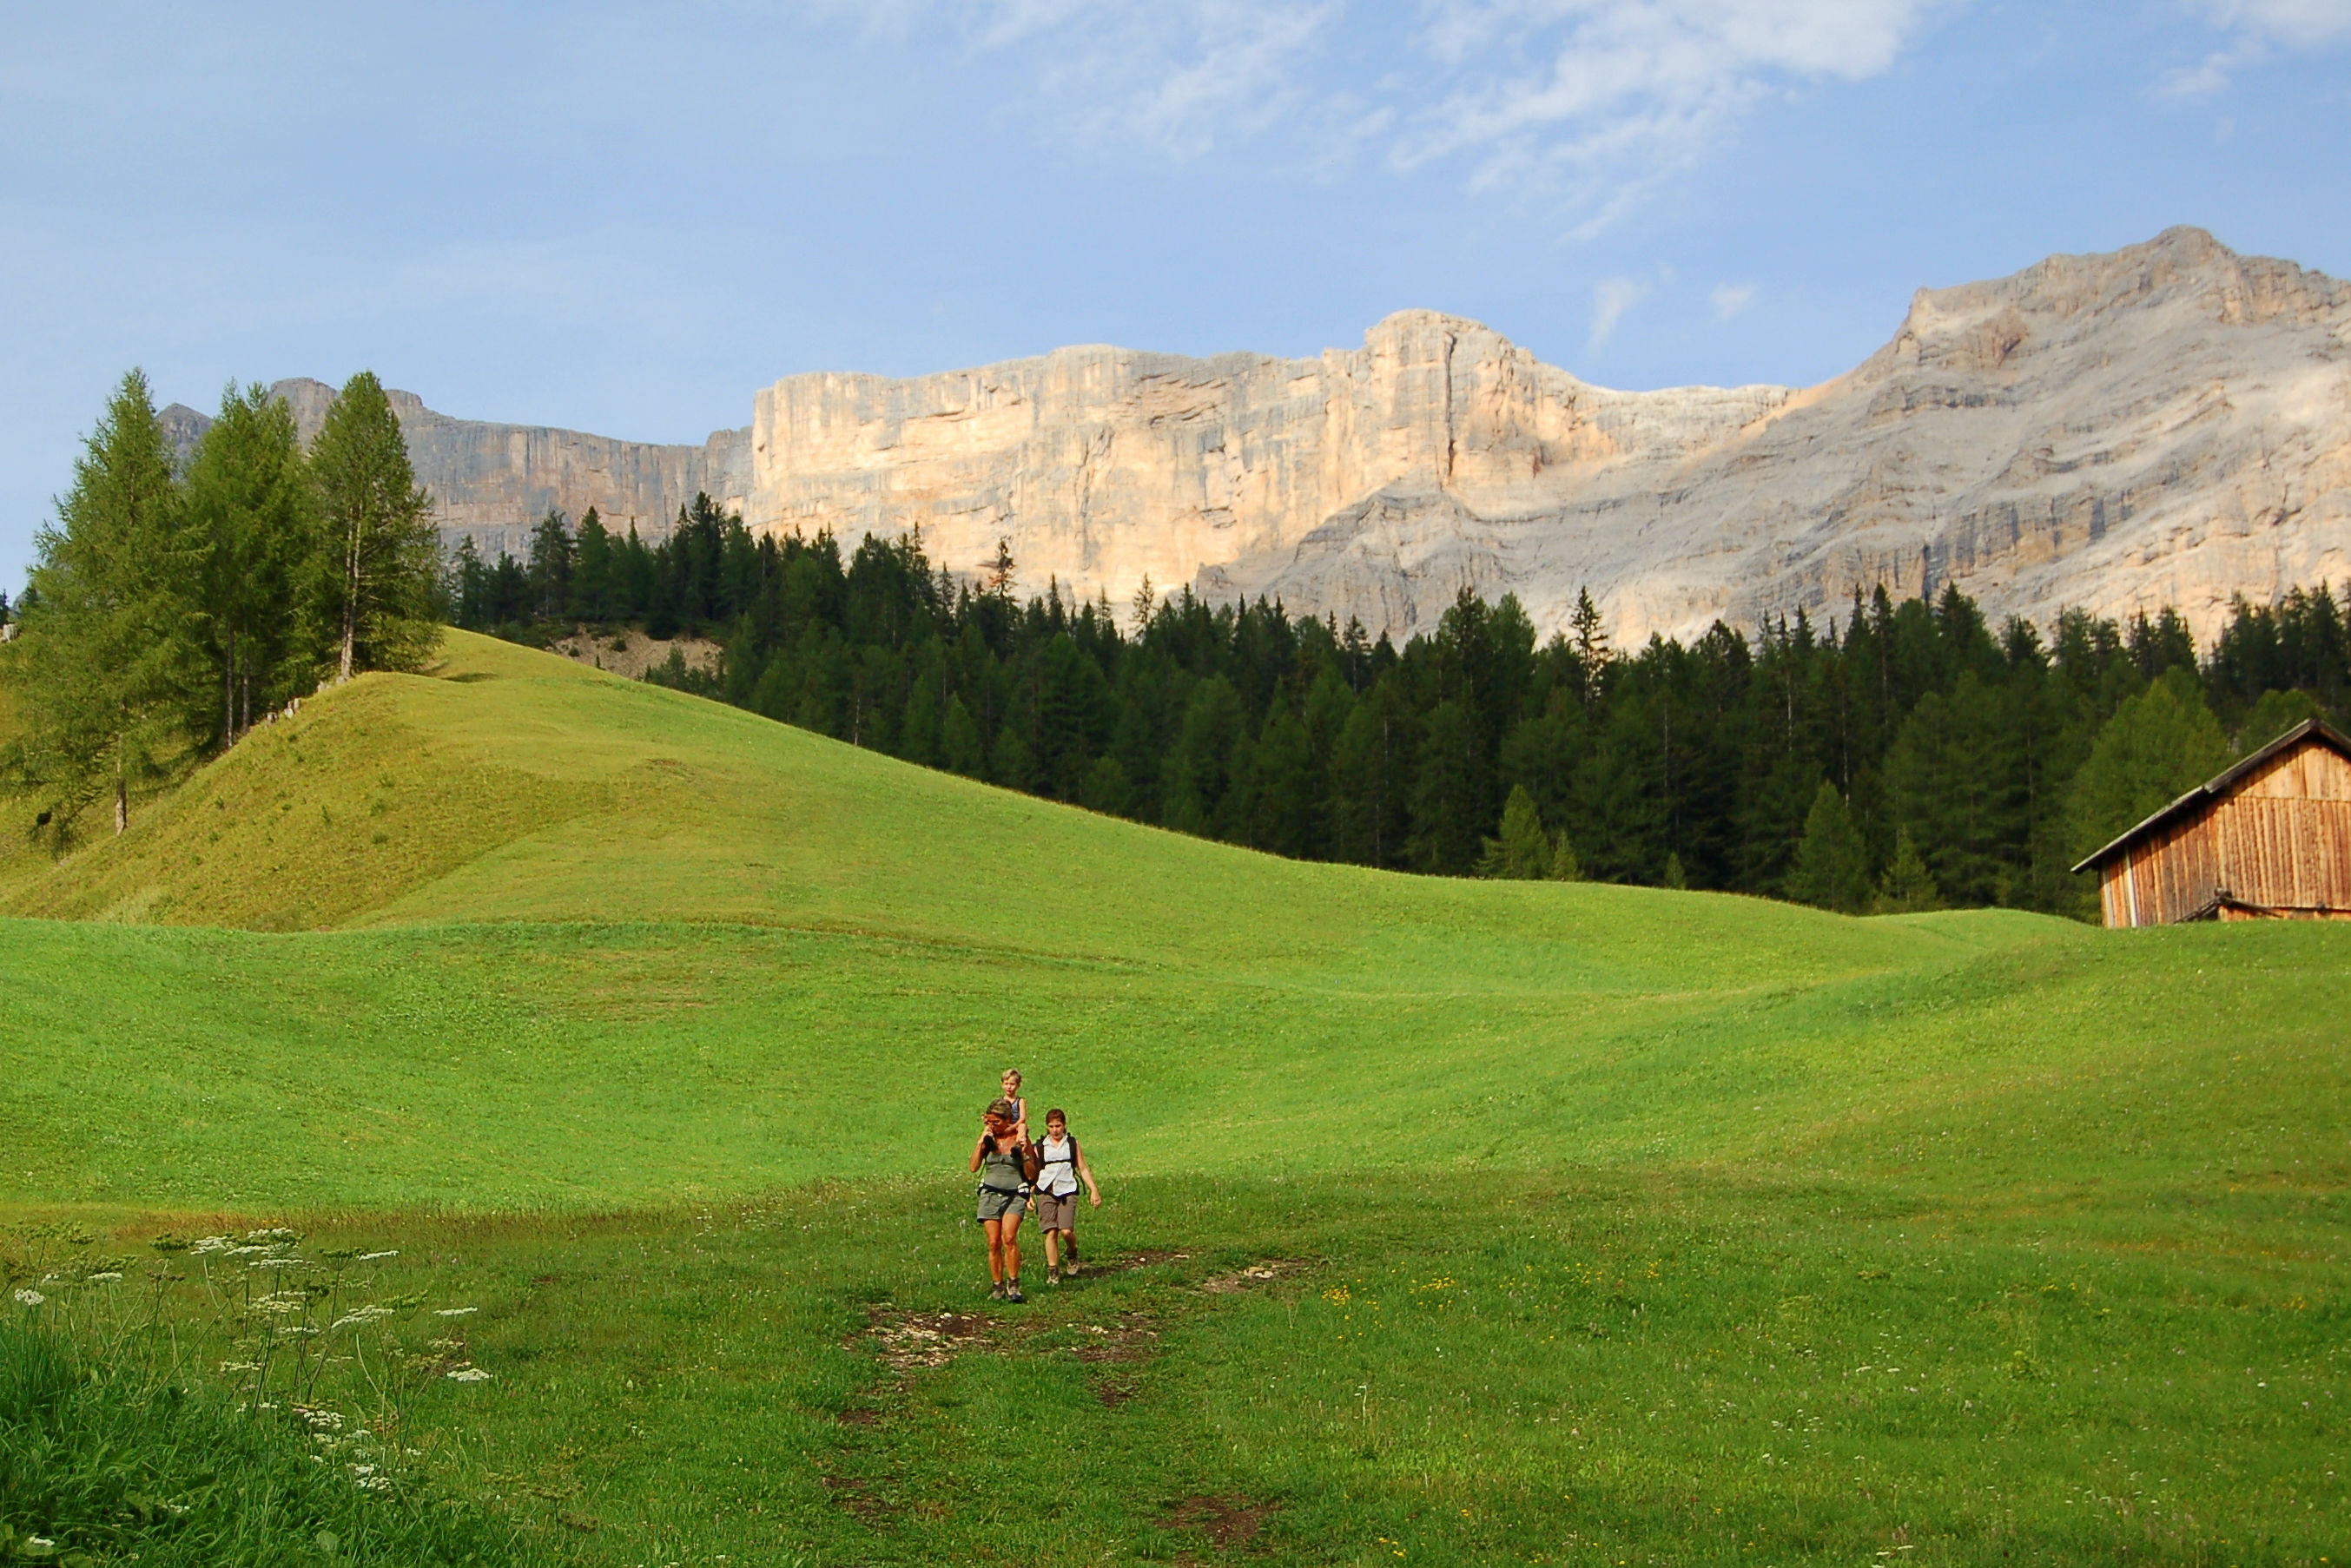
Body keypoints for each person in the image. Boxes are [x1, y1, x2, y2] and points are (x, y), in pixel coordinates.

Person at [969, 1097, 1038, 1301]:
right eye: (989, 1122)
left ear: (1008, 1119)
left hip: (1014, 1193)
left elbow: (1032, 1174)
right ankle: (997, 1285)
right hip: (990, 1193)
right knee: (993, 1242)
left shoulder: (1020, 1138)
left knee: (1008, 1238)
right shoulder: (989, 1140)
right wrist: (981, 1141)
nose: (992, 1126)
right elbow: (973, 1167)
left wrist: (1024, 1154)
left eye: (996, 1122)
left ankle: (1013, 1284)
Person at [1030, 1108, 1100, 1286]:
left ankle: (1072, 1251)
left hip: (1067, 1188)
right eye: (1052, 1126)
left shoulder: (1071, 1143)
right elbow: (1033, 1173)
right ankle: (1053, 1270)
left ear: (1064, 1125)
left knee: (1066, 1230)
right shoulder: (1040, 1147)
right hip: (1046, 1189)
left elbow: (1082, 1168)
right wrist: (1028, 1195)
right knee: (1050, 1230)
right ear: (1047, 1127)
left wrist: (1093, 1190)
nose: (1055, 1130)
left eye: (1058, 1126)